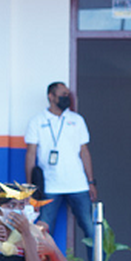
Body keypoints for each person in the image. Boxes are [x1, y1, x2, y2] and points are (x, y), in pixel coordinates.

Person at [24, 82, 97, 247]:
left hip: (78, 184)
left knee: (91, 230)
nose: (67, 98)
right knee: (42, 230)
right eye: (63, 95)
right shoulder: (37, 121)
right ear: (51, 96)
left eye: (67, 94)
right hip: (49, 185)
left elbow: (84, 152)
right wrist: (29, 189)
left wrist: (91, 181)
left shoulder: (77, 120)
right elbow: (30, 154)